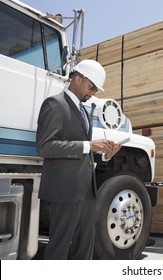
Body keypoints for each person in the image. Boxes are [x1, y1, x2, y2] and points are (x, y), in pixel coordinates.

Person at [36, 59, 120, 259]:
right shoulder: (55, 104)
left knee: (84, 248)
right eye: (92, 87)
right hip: (65, 192)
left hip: (86, 193)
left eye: (96, 90)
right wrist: (89, 145)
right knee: (59, 249)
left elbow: (82, 153)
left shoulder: (84, 111)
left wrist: (105, 155)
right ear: (78, 79)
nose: (93, 93)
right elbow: (45, 147)